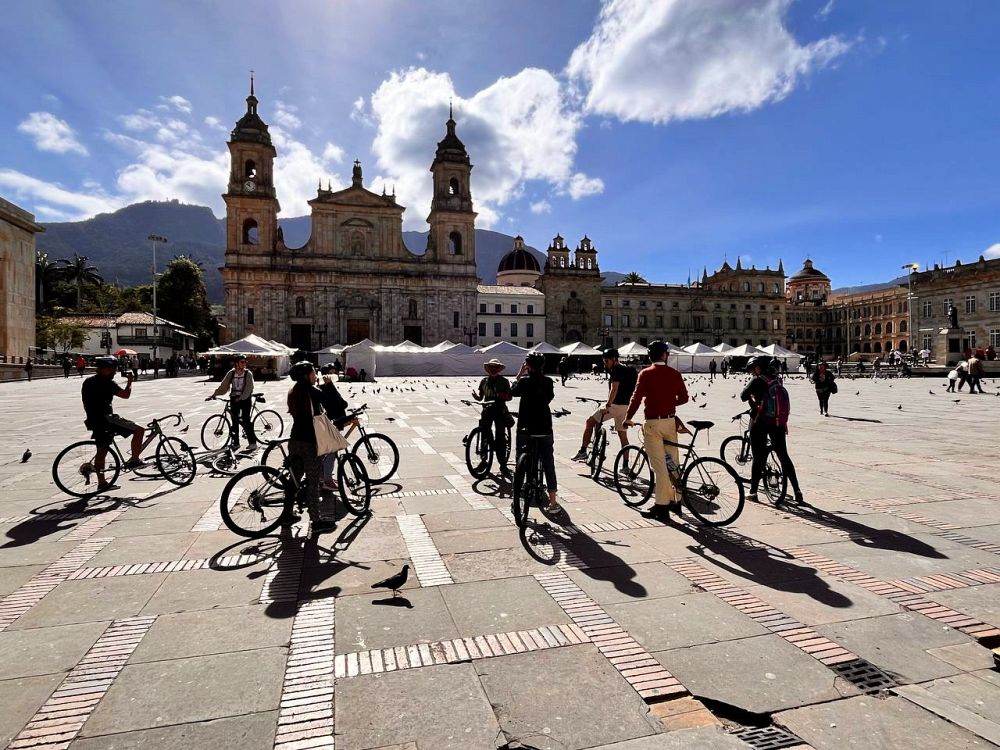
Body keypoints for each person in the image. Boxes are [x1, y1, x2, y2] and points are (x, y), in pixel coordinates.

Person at [623, 340, 689, 522]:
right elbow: (684, 398)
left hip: (653, 424)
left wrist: (628, 418)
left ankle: (661, 507)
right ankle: (676, 500)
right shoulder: (674, 373)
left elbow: (636, 398)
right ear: (664, 355)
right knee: (673, 463)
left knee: (660, 467)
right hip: (670, 422)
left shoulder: (645, 374)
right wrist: (669, 402)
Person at [741, 356, 803, 505]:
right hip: (777, 422)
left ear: (758, 368)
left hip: (760, 421)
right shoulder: (777, 380)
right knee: (784, 456)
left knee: (758, 457)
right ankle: (797, 491)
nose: (752, 372)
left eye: (753, 369)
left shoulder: (757, 381)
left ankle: (753, 492)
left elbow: (743, 396)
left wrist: (752, 400)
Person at [82, 356, 145, 491]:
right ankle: (134, 460)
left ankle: (102, 483)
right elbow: (125, 395)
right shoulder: (107, 383)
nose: (114, 372)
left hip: (94, 419)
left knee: (102, 450)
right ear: (104, 369)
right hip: (106, 419)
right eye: (112, 369)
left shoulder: (88, 381)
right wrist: (130, 382)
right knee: (139, 430)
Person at [286, 361, 336, 534]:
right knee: (313, 482)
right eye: (313, 373)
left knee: (294, 480)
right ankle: (316, 521)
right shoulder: (312, 391)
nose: (316, 376)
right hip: (310, 442)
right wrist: (329, 385)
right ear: (305, 376)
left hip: (295, 440)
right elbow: (335, 404)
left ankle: (287, 515)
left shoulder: (293, 391)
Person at [510, 352, 561, 513]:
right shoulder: (548, 381)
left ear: (528, 366)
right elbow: (549, 398)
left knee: (520, 461)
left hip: (525, 427)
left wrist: (519, 375)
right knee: (548, 463)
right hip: (544, 427)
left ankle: (515, 501)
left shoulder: (524, 382)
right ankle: (553, 503)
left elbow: (512, 392)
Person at [572, 348, 636, 461]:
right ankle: (625, 464)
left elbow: (614, 389)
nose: (605, 364)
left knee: (589, 422)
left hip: (614, 405)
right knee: (623, 436)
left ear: (614, 359)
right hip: (625, 406)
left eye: (606, 361)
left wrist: (608, 404)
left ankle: (583, 451)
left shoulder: (616, 369)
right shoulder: (629, 369)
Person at [206, 354, 259, 451]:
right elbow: (224, 386)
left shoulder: (248, 374)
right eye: (242, 362)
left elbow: (249, 388)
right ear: (236, 363)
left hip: (245, 399)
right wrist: (214, 395)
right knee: (234, 421)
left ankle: (252, 443)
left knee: (246, 420)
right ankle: (236, 443)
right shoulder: (231, 373)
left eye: (245, 362)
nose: (244, 364)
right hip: (234, 398)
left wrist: (241, 398)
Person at [472, 358, 513, 478]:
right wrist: (476, 397)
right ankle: (484, 461)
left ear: (499, 369)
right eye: (491, 367)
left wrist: (502, 395)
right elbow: (481, 397)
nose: (493, 369)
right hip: (487, 410)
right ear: (488, 369)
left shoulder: (504, 381)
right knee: (484, 435)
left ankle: (503, 465)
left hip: (500, 411)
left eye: (496, 367)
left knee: (500, 437)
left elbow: (509, 397)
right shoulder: (484, 381)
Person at [318, 364, 356, 490]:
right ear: (324, 375)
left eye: (334, 373)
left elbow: (341, 403)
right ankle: (327, 480)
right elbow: (339, 403)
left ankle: (323, 476)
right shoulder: (325, 387)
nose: (332, 376)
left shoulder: (328, 386)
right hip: (331, 423)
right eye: (330, 373)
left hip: (333, 422)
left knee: (329, 451)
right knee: (332, 451)